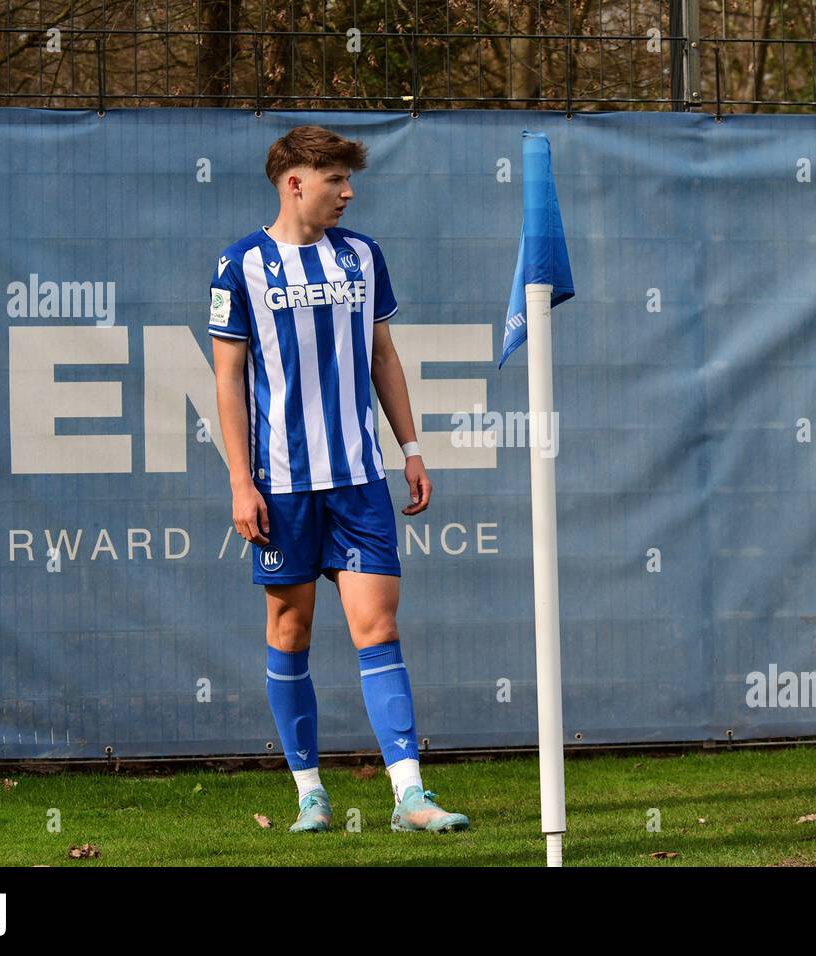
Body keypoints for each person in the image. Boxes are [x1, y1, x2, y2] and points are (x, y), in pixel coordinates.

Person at [207, 125, 468, 834]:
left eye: (350, 180)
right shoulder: (239, 266)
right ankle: (309, 793)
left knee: (377, 626)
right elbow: (228, 383)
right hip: (282, 486)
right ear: (295, 181)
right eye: (335, 180)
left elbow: (383, 356)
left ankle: (409, 796)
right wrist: (241, 481)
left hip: (359, 479)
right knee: (289, 630)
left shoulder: (362, 256)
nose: (349, 192)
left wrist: (410, 447)